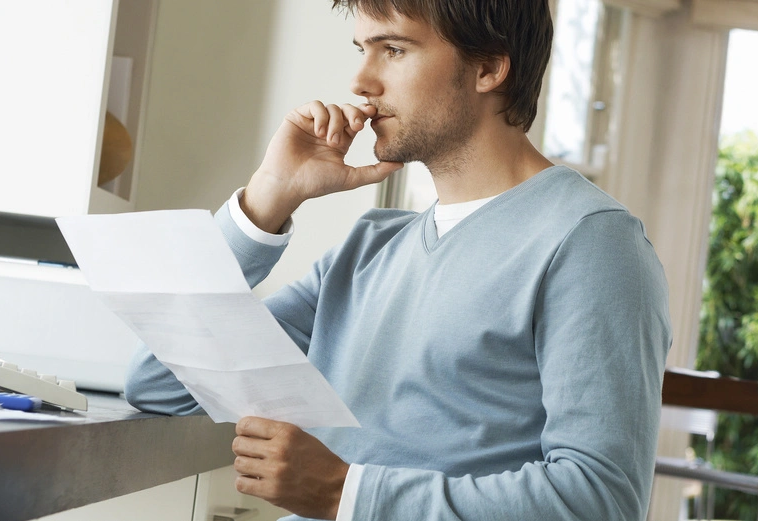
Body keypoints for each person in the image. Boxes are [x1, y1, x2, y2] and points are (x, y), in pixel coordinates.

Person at [124, 0, 672, 520]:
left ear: (488, 67)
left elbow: (600, 500)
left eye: (393, 50)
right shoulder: (370, 247)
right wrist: (267, 199)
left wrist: (346, 493)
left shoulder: (592, 244)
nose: (361, 82)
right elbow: (161, 384)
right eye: (361, 48)